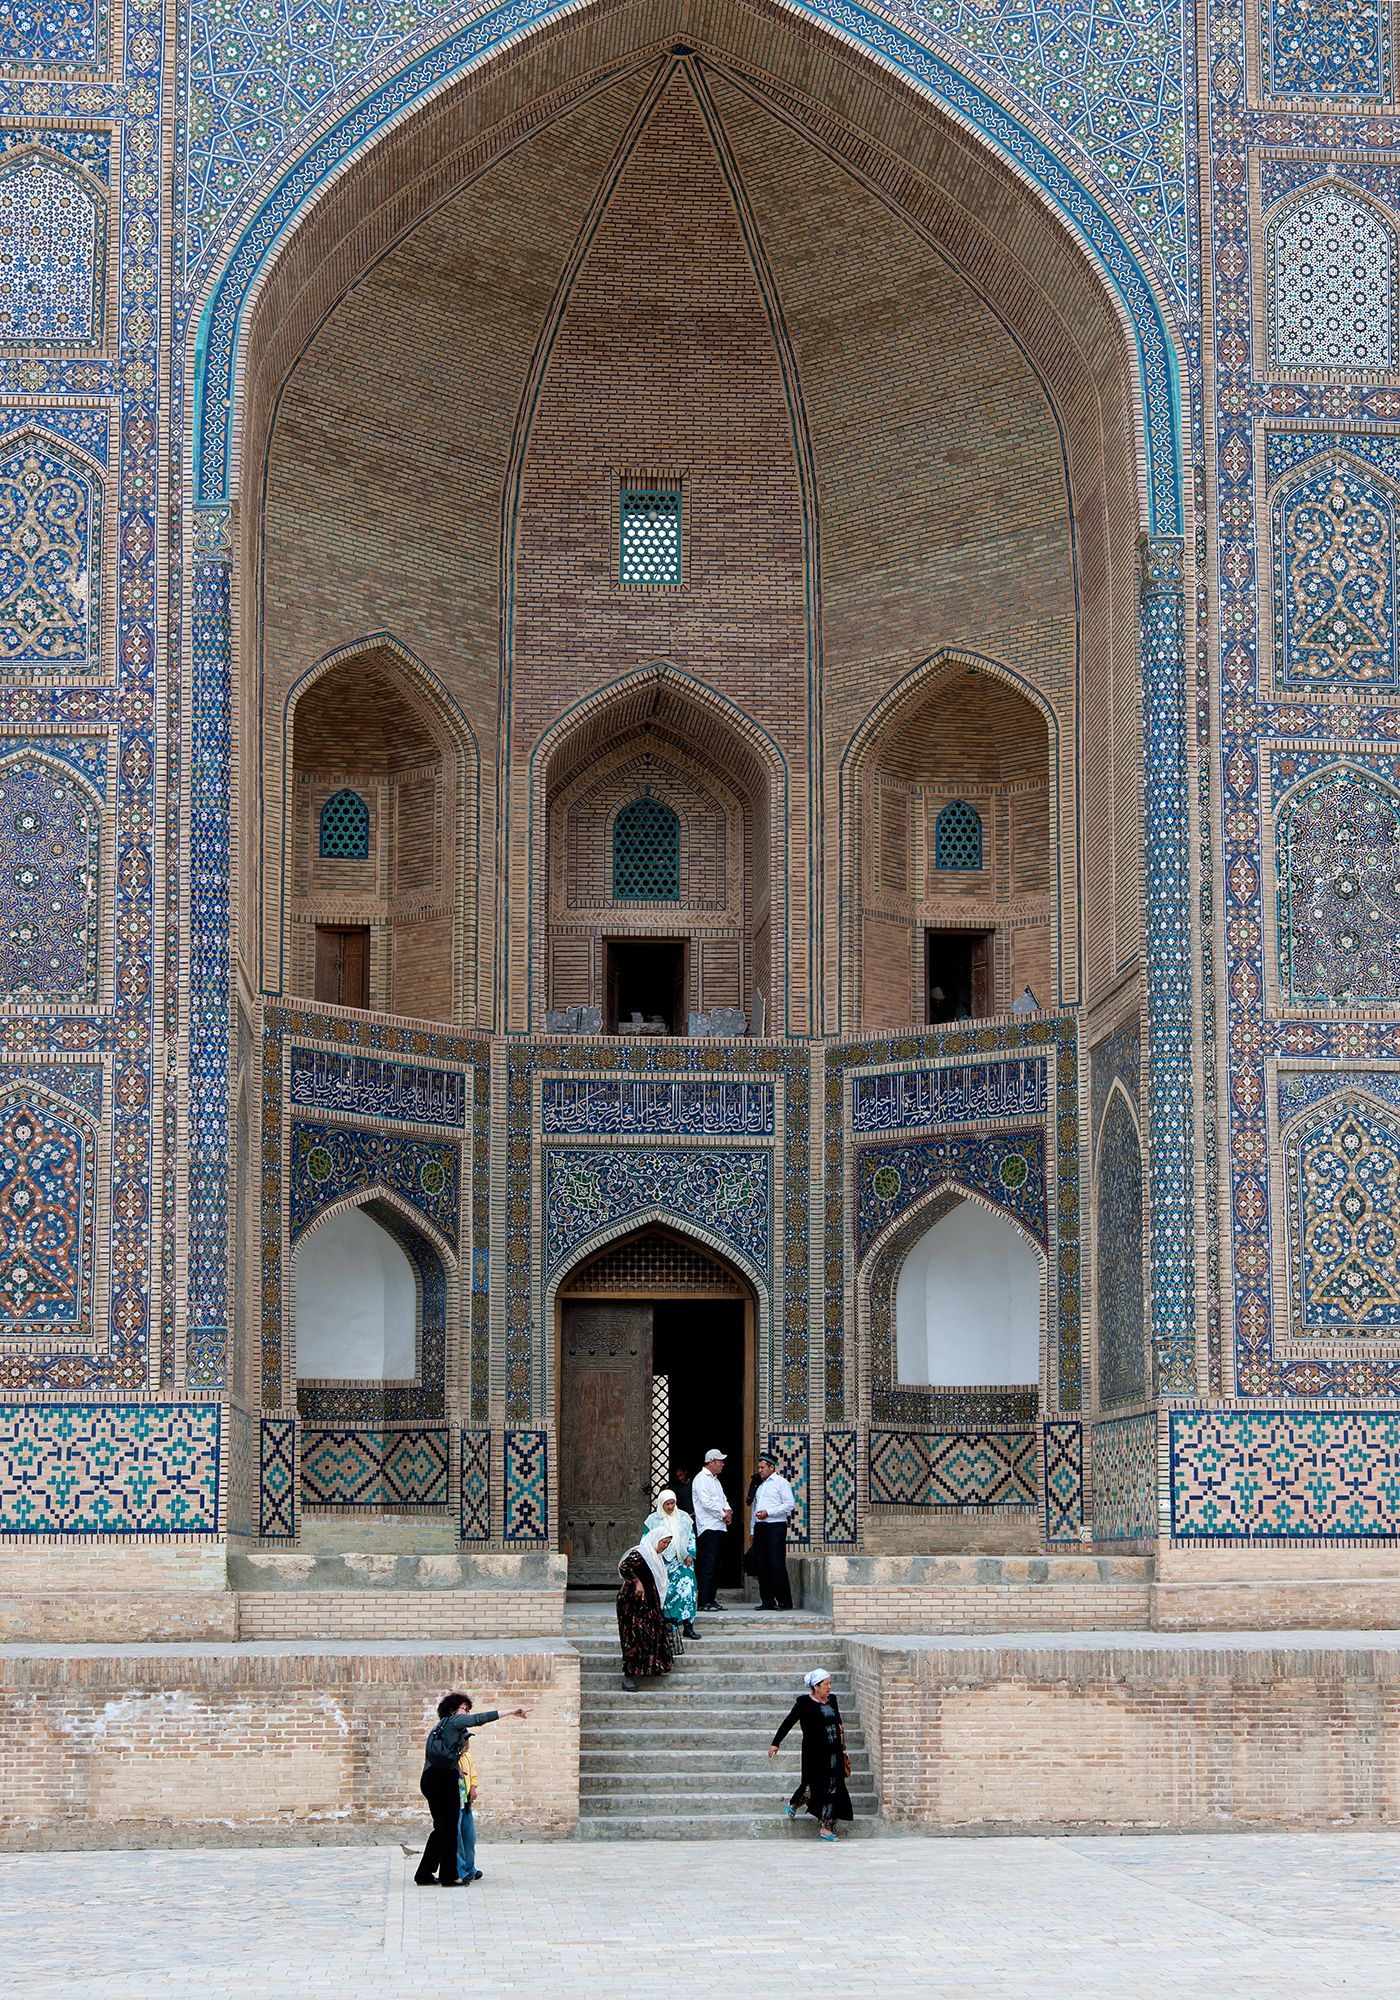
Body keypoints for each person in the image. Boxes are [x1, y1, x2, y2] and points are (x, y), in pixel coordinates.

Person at [414, 1690, 527, 1885]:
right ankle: (450, 1876)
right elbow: (480, 1719)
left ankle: (423, 1874)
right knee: (449, 1829)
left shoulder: (440, 1727)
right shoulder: (454, 1722)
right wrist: (511, 1712)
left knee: (440, 1828)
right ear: (452, 1710)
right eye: (464, 1709)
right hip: (443, 1780)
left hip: (429, 1779)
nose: (467, 1713)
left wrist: (457, 1769)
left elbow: (442, 1756)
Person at [767, 1669, 853, 1841]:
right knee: (809, 1790)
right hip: (814, 1754)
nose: (829, 1687)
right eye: (826, 1684)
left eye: (830, 1683)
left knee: (834, 1789)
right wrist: (776, 1743)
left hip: (834, 1753)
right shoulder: (804, 1702)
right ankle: (794, 1803)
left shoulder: (832, 1699)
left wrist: (839, 1725)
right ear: (816, 1686)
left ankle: (827, 1828)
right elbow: (788, 1722)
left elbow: (836, 1718)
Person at [616, 1527, 675, 1691]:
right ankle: (628, 1677)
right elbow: (624, 1566)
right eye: (664, 1542)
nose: (665, 1546)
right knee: (633, 1638)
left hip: (648, 1605)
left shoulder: (655, 1557)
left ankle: (651, 1668)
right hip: (633, 1605)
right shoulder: (641, 1553)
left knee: (650, 1635)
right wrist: (637, 1582)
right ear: (656, 1538)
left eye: (668, 1544)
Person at [643, 1487, 699, 1639]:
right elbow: (646, 1541)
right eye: (666, 1504)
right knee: (665, 1592)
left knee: (688, 1590)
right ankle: (666, 1624)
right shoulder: (653, 1520)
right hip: (663, 1563)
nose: (670, 1507)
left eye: (672, 1503)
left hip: (682, 1562)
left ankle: (688, 1626)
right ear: (661, 1504)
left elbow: (691, 1537)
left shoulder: (684, 1518)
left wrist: (690, 1555)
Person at [749, 1451, 795, 1610]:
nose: (759, 1470)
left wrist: (769, 1512)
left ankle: (784, 1601)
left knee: (776, 1563)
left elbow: (789, 1505)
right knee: (762, 1565)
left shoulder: (781, 1483)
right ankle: (767, 1601)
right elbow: (754, 1508)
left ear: (771, 1467)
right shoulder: (759, 1485)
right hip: (760, 1528)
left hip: (775, 1527)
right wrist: (752, 1530)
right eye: (759, 1467)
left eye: (762, 1467)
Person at [691, 1447, 732, 1611]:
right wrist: (723, 1514)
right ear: (711, 1462)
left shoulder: (715, 1480)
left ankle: (711, 1598)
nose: (722, 1464)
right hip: (708, 1527)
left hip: (719, 1527)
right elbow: (706, 1503)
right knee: (708, 1564)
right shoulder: (701, 1478)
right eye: (720, 1461)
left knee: (716, 1564)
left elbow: (723, 1500)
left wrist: (728, 1512)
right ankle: (704, 1600)